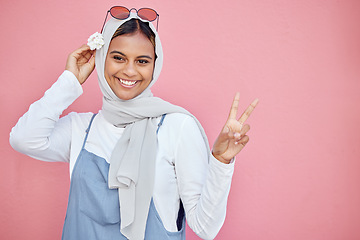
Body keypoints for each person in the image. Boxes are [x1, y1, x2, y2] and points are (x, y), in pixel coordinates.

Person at [9, 6, 258, 240]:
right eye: (118, 57)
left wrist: (221, 162)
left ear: (154, 65)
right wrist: (69, 81)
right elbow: (24, 139)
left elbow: (205, 228)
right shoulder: (83, 129)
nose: (129, 71)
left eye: (142, 61)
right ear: (102, 58)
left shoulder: (177, 127)